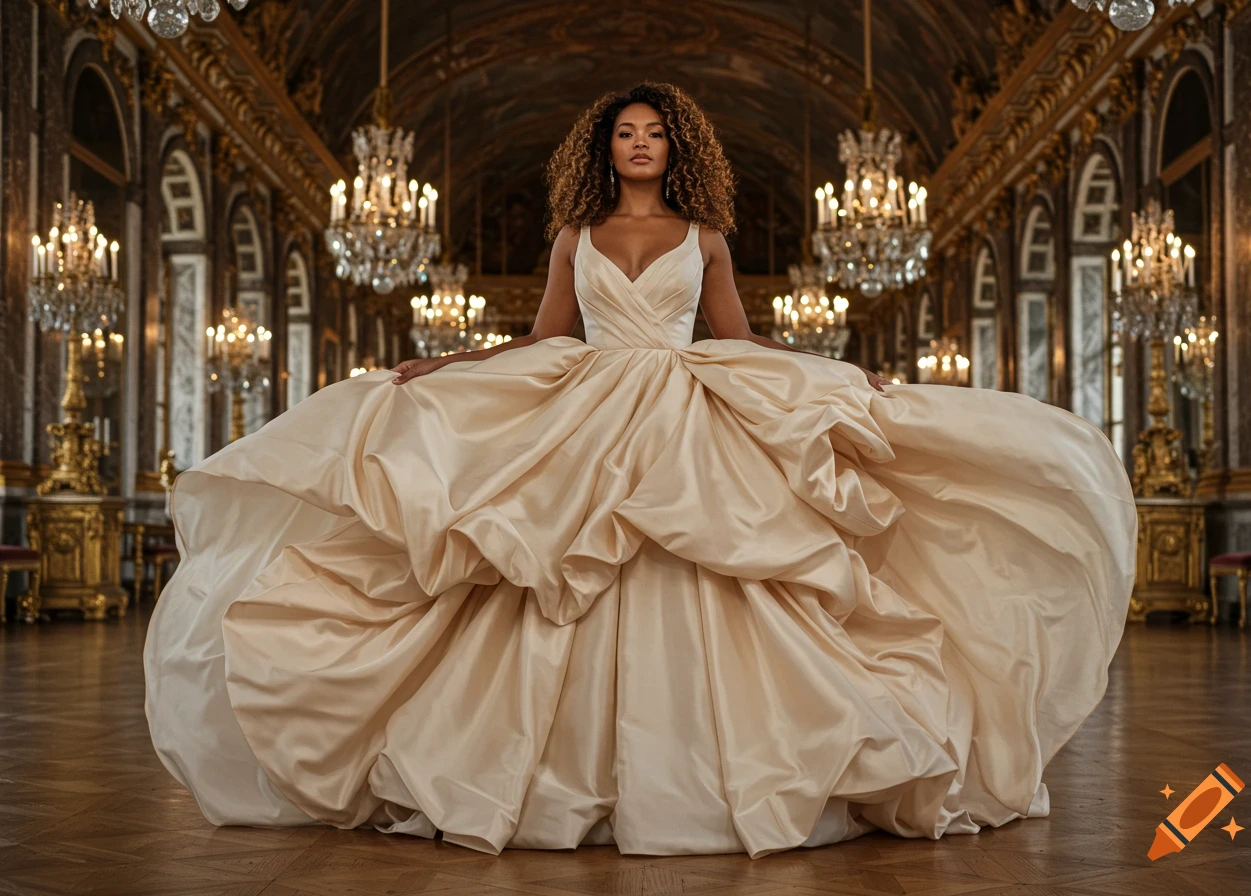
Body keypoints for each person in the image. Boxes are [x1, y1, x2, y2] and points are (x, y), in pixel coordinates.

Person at [145, 82, 1137, 859]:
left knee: (719, 561)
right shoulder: (572, 235)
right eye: (623, 132)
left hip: (683, 407)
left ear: (675, 149)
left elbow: (740, 339)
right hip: (582, 403)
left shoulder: (704, 237)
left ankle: (711, 773)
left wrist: (841, 375)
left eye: (652, 133)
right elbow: (541, 334)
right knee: (544, 564)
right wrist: (446, 362)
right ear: (602, 147)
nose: (637, 145)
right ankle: (550, 770)